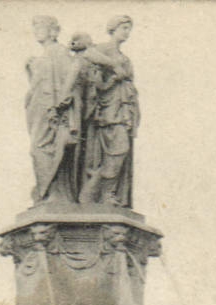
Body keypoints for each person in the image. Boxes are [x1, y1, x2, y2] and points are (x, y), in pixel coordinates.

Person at [78, 15, 139, 207]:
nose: (127, 32)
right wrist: (113, 66)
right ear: (113, 29)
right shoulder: (104, 49)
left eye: (129, 29)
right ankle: (103, 193)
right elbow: (87, 55)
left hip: (123, 109)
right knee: (118, 149)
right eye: (124, 28)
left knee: (120, 151)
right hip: (108, 111)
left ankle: (108, 193)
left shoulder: (125, 58)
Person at [24, 15, 83, 203]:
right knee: (38, 148)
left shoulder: (59, 51)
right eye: (35, 28)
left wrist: (61, 103)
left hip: (53, 112)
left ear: (53, 31)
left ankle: (53, 192)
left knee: (43, 148)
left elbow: (72, 76)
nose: (36, 32)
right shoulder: (42, 55)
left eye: (41, 27)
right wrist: (31, 68)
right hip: (38, 110)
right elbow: (38, 85)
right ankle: (46, 192)